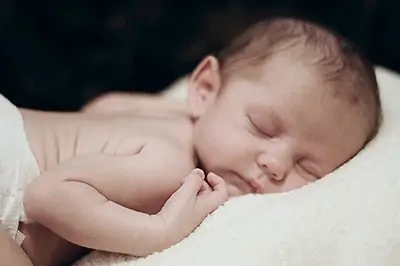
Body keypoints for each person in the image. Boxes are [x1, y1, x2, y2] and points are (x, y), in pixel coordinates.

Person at [0, 17, 381, 266]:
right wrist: (156, 232)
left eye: (309, 168)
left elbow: (103, 107)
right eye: (262, 128)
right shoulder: (172, 165)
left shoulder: (165, 114)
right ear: (204, 88)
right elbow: (45, 195)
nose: (276, 164)